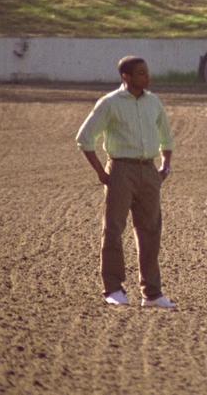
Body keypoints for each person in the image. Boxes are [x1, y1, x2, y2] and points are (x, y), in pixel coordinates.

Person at [75, 56, 176, 309]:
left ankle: (152, 294)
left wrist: (165, 164)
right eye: (140, 73)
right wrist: (101, 172)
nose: (147, 77)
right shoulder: (109, 104)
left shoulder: (153, 102)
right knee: (113, 230)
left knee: (151, 232)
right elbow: (85, 138)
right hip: (121, 170)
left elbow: (166, 136)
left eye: (147, 72)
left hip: (149, 172)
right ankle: (113, 288)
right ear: (126, 77)